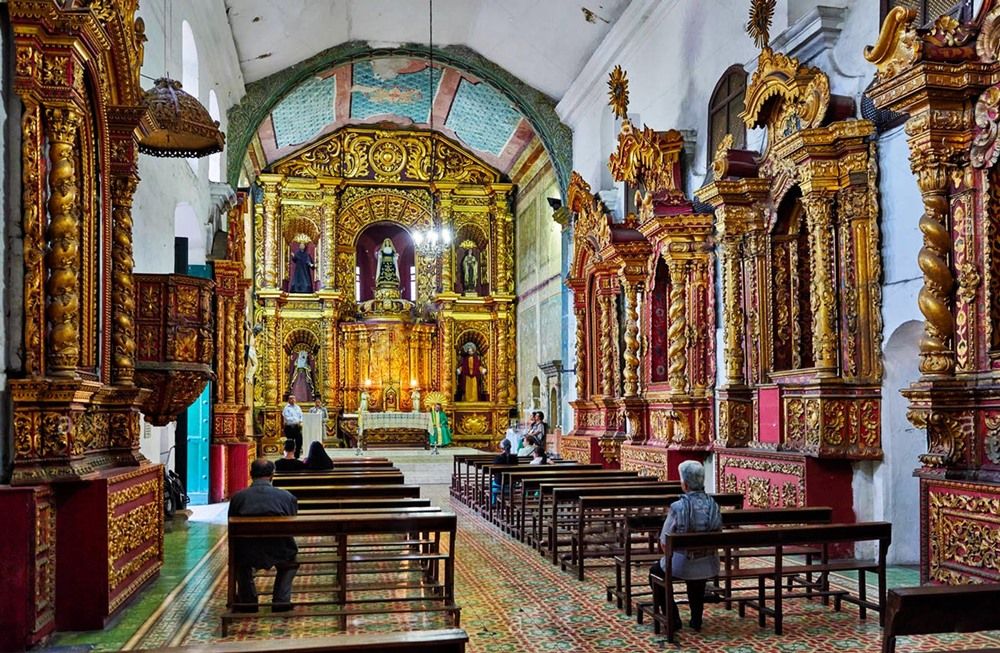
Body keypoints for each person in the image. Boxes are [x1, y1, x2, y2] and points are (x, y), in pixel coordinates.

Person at [649, 460, 722, 632]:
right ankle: (696, 619)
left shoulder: (678, 507)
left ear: (685, 484)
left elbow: (664, 542)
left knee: (655, 573)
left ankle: (673, 617)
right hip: (709, 563)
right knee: (697, 577)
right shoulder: (714, 505)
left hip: (682, 564)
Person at [228, 459, 299, 613]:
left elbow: (231, 527)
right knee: (291, 561)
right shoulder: (286, 497)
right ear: (272, 475)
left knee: (242, 563)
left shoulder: (238, 498)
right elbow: (292, 523)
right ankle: (281, 600)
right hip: (280, 549)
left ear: (251, 474)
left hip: (247, 550)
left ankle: (248, 601)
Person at [491, 439, 518, 505]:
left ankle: (494, 503)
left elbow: (494, 472)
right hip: (511, 484)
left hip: (499, 484)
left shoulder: (498, 458)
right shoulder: (514, 458)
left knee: (493, 483)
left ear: (501, 448)